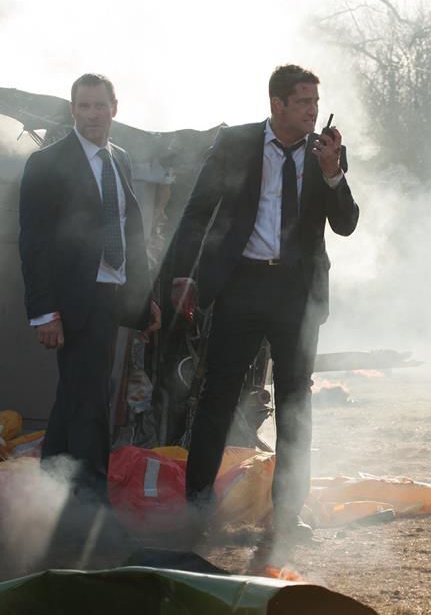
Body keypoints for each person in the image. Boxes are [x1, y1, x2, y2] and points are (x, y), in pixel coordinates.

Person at [167, 64, 359, 568]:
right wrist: (182, 275)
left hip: (298, 294)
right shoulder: (237, 144)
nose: (313, 111)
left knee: (296, 404)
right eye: (303, 102)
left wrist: (333, 172)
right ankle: (197, 507)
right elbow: (197, 212)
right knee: (217, 397)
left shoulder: (325, 151)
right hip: (242, 285)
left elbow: (346, 224)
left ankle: (288, 515)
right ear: (278, 104)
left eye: (316, 102)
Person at [18, 73, 160, 502]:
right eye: (84, 106)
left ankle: (51, 488)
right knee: (91, 398)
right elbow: (34, 242)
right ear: (72, 110)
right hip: (72, 299)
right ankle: (91, 497)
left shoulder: (120, 159)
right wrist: (45, 312)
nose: (92, 114)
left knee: (76, 392)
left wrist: (143, 299)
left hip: (112, 292)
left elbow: (130, 232)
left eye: (100, 105)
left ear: (114, 108)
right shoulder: (46, 163)